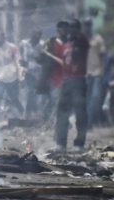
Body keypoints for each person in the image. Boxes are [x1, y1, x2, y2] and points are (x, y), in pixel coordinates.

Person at [54, 19, 89, 152]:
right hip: (67, 81)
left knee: (80, 112)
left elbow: (80, 43)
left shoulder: (82, 41)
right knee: (62, 112)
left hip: (79, 80)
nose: (72, 30)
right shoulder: (66, 45)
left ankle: (79, 144)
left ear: (78, 29)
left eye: (75, 27)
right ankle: (61, 143)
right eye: (70, 27)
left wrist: (76, 37)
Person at [36, 21, 70, 123]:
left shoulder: (71, 43)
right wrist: (42, 55)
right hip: (51, 77)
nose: (63, 30)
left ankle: (57, 122)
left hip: (65, 77)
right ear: (58, 30)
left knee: (59, 101)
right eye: (61, 28)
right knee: (49, 101)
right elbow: (39, 58)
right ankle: (48, 121)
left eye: (65, 28)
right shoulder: (50, 42)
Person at [85, 20, 108, 129]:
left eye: (89, 25)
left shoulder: (98, 39)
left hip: (97, 72)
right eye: (85, 25)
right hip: (85, 73)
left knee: (95, 97)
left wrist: (103, 69)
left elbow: (103, 55)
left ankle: (92, 120)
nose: (87, 27)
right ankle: (88, 123)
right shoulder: (81, 39)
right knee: (87, 98)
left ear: (91, 26)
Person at [19, 30, 43, 119]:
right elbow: (21, 57)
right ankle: (33, 112)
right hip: (28, 71)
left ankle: (28, 112)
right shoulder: (24, 44)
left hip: (38, 72)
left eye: (38, 37)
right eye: (35, 37)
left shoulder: (42, 45)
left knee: (34, 93)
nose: (36, 39)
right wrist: (21, 73)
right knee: (30, 91)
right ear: (31, 36)